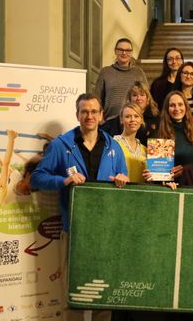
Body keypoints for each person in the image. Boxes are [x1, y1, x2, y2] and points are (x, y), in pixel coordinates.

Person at [31, 93, 129, 321]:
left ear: (102, 115)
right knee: (73, 293)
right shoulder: (61, 145)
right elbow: (37, 178)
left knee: (103, 293)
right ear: (77, 115)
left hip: (106, 232)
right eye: (84, 111)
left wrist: (122, 179)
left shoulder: (113, 146)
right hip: (74, 230)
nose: (89, 116)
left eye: (94, 111)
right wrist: (63, 181)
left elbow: (124, 179)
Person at [95, 38, 148, 123]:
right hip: (110, 121)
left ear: (131, 53)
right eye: (120, 50)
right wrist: (100, 119)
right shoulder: (105, 72)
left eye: (128, 50)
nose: (124, 53)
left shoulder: (139, 72)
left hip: (133, 121)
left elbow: (147, 98)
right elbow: (97, 99)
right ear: (115, 51)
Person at [154, 91, 193, 179]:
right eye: (172, 105)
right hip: (172, 188)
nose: (177, 108)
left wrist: (185, 169)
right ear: (167, 109)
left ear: (186, 107)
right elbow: (158, 175)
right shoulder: (159, 135)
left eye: (180, 104)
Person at [100, 81, 159, 146]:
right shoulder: (119, 119)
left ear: (147, 98)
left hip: (150, 154)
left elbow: (162, 149)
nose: (138, 98)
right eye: (135, 95)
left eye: (142, 95)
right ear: (130, 99)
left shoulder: (157, 119)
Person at [114, 102, 147, 183]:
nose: (133, 120)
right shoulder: (114, 143)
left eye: (136, 116)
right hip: (120, 192)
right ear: (121, 119)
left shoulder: (145, 149)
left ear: (141, 119)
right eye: (128, 116)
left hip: (141, 193)